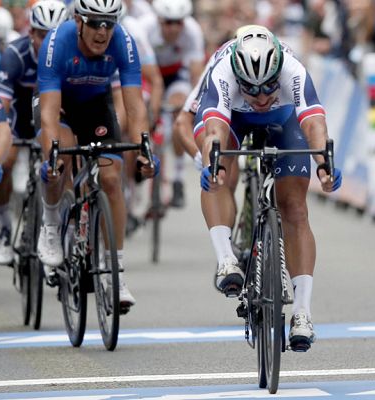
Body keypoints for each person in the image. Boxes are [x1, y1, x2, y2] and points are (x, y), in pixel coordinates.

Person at [195, 25, 341, 351]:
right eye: (252, 88)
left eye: (268, 87)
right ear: (238, 77)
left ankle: (302, 312)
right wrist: (212, 164)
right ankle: (226, 260)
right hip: (234, 118)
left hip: (285, 119)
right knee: (219, 172)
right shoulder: (223, 72)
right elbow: (215, 131)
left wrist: (324, 165)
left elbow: (314, 123)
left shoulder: (293, 70)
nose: (261, 97)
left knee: (295, 207)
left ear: (278, 72)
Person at [36, 0, 157, 311]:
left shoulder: (124, 41)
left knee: (111, 178)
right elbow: (48, 114)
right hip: (58, 103)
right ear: (78, 20)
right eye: (94, 23)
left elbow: (134, 106)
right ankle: (50, 225)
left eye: (109, 23)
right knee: (58, 161)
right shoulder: (56, 42)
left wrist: (144, 148)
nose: (102, 31)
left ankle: (114, 272)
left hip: (95, 106)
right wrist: (51, 154)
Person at [0, 0, 68, 266]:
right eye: (42, 34)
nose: (48, 41)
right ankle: (3, 228)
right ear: (31, 33)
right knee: (7, 159)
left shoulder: (68, 56)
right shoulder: (15, 54)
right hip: (18, 117)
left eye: (54, 34)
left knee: (66, 157)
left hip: (49, 117)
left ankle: (64, 230)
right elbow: (0, 107)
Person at [139, 0, 205, 209]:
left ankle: (177, 179)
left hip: (176, 75)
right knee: (145, 111)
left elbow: (196, 72)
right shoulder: (144, 27)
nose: (174, 28)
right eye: (168, 22)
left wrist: (196, 106)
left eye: (179, 23)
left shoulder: (193, 31)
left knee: (180, 109)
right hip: (148, 75)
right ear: (159, 20)